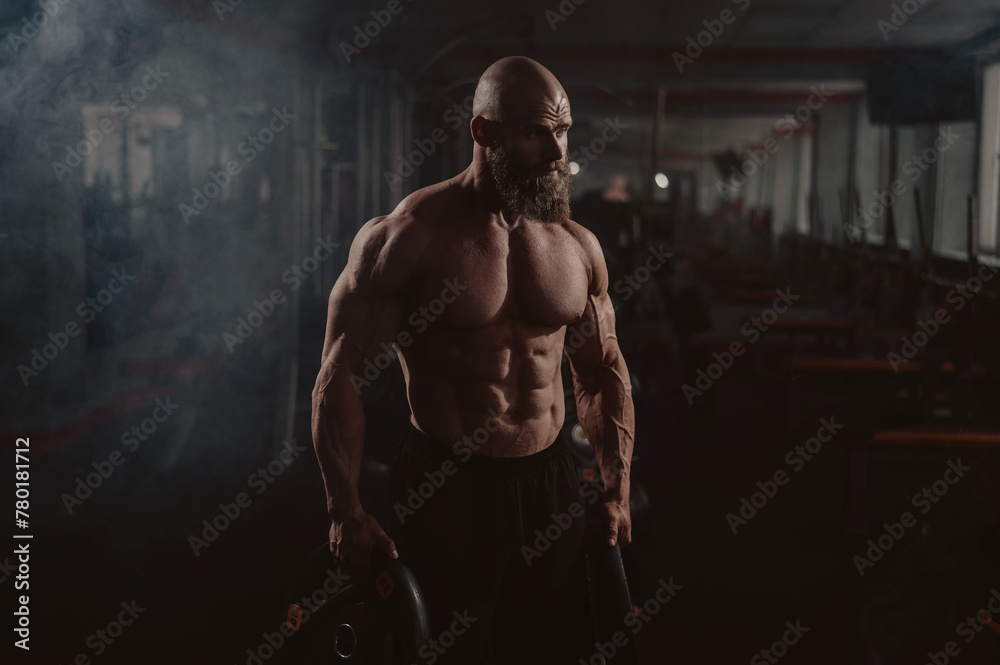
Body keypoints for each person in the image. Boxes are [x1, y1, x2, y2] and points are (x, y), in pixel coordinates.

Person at [311, 55, 635, 664]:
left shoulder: (575, 246)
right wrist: (345, 511)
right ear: (483, 132)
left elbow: (601, 370)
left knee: (548, 651)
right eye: (536, 131)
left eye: (563, 131)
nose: (557, 152)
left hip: (550, 482)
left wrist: (616, 487)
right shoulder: (407, 237)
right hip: (445, 487)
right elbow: (341, 371)